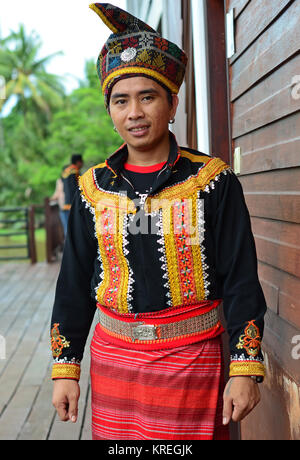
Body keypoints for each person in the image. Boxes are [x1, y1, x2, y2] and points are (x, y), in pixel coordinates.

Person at [51, 3, 267, 440]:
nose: (134, 112)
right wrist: (65, 369)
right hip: (114, 363)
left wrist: (245, 368)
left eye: (147, 97)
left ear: (172, 103)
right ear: (110, 111)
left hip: (194, 362)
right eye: (121, 100)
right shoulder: (92, 189)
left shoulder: (214, 181)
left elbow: (242, 278)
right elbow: (73, 283)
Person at [60, 154, 84, 234]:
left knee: (68, 231)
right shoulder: (75, 171)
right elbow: (76, 188)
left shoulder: (65, 171)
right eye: (82, 162)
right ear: (78, 162)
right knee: (76, 231)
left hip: (65, 204)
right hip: (74, 205)